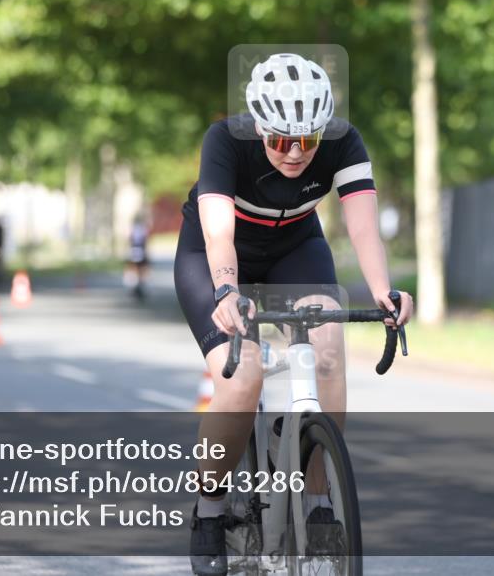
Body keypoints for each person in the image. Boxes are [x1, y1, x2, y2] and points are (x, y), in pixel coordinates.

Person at [173, 53, 414, 575]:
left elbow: (363, 227)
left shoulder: (344, 142)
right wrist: (227, 292)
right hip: (214, 256)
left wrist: (384, 292)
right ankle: (209, 508)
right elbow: (218, 231)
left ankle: (319, 497)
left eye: (308, 140)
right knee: (244, 379)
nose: (296, 153)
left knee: (327, 350)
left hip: (294, 249)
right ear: (260, 127)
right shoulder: (225, 140)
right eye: (282, 141)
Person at [125, 215, 150, 300]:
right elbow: (145, 240)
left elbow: (130, 239)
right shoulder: (142, 229)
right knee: (140, 270)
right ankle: (138, 287)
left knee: (134, 269)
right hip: (140, 250)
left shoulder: (134, 229)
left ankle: (136, 288)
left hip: (134, 250)